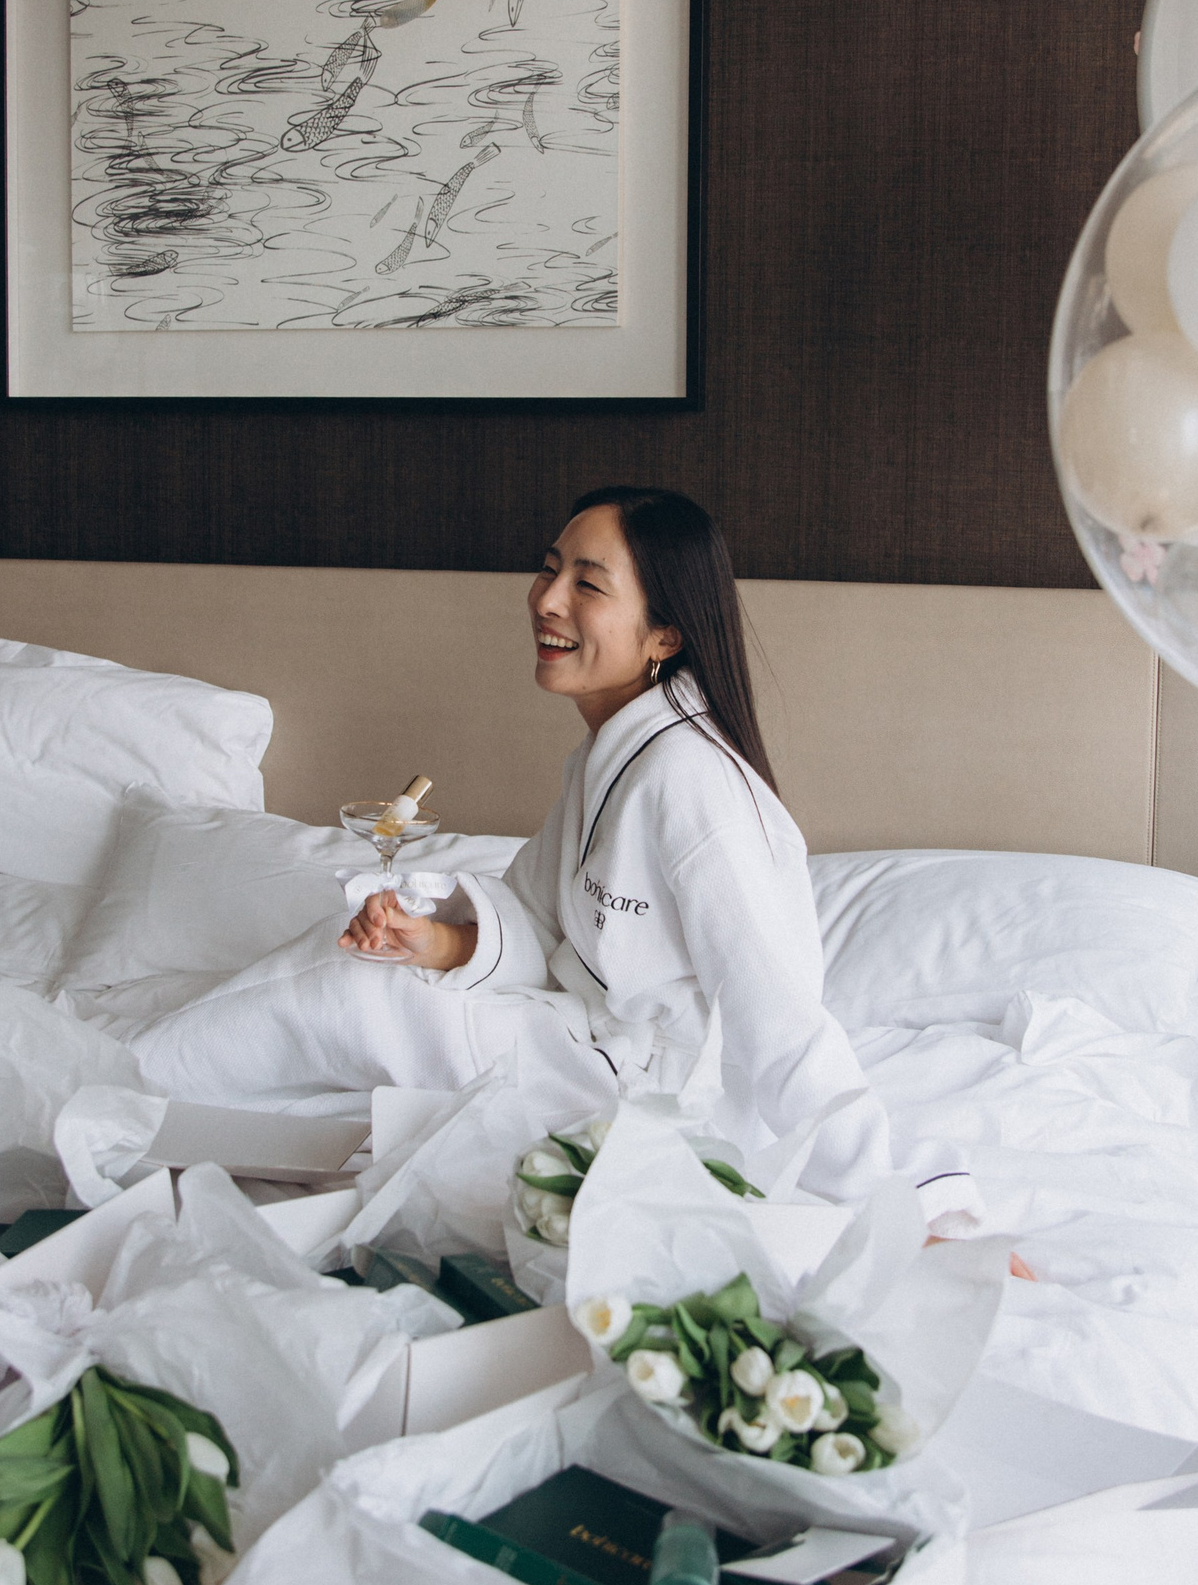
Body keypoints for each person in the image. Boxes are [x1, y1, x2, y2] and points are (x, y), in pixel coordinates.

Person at [337, 485, 893, 1200]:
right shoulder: (610, 757)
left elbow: (781, 1025)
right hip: (589, 1053)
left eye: (588, 584)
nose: (546, 599)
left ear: (665, 636)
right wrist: (433, 942)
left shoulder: (691, 782)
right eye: (549, 569)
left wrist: (894, 1204)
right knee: (355, 978)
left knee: (348, 999)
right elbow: (538, 918)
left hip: (659, 1104)